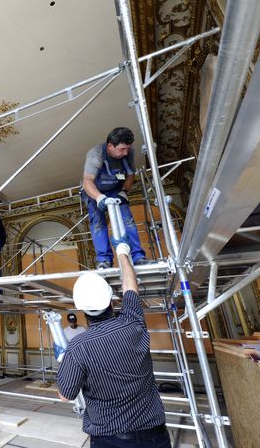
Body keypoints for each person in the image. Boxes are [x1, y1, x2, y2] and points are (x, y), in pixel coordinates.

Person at [56, 239, 169, 447]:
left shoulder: (79, 346)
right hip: (155, 435)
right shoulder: (133, 323)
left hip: (110, 439)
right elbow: (130, 286)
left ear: (82, 310)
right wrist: (123, 253)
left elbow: (65, 395)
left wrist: (67, 364)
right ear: (110, 301)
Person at [81, 127, 148, 269]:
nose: (126, 152)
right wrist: (99, 198)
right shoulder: (96, 155)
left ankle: (138, 256)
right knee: (98, 223)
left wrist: (124, 191)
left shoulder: (128, 153)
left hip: (115, 190)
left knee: (128, 221)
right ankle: (104, 260)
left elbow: (130, 175)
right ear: (110, 146)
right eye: (122, 149)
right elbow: (87, 181)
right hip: (94, 191)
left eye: (128, 149)